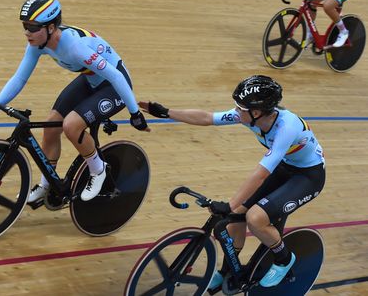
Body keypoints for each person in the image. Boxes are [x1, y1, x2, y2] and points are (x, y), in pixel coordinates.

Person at [139, 75, 325, 289]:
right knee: (236, 216)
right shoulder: (249, 116)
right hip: (285, 168)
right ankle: (228, 271)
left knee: (255, 218)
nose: (235, 111)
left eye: (240, 108)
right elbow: (207, 118)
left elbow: (261, 173)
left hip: (308, 176)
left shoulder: (287, 126)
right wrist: (165, 112)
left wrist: (230, 203)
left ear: (256, 112)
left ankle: (283, 258)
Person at [0, 0, 150, 204]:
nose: (27, 32)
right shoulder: (37, 45)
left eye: (32, 27)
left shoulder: (76, 47)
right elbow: (19, 79)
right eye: (25, 26)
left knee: (71, 126)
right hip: (90, 79)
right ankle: (46, 184)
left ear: (50, 28)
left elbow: (116, 76)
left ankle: (98, 170)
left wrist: (134, 113)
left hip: (115, 87)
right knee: (50, 126)